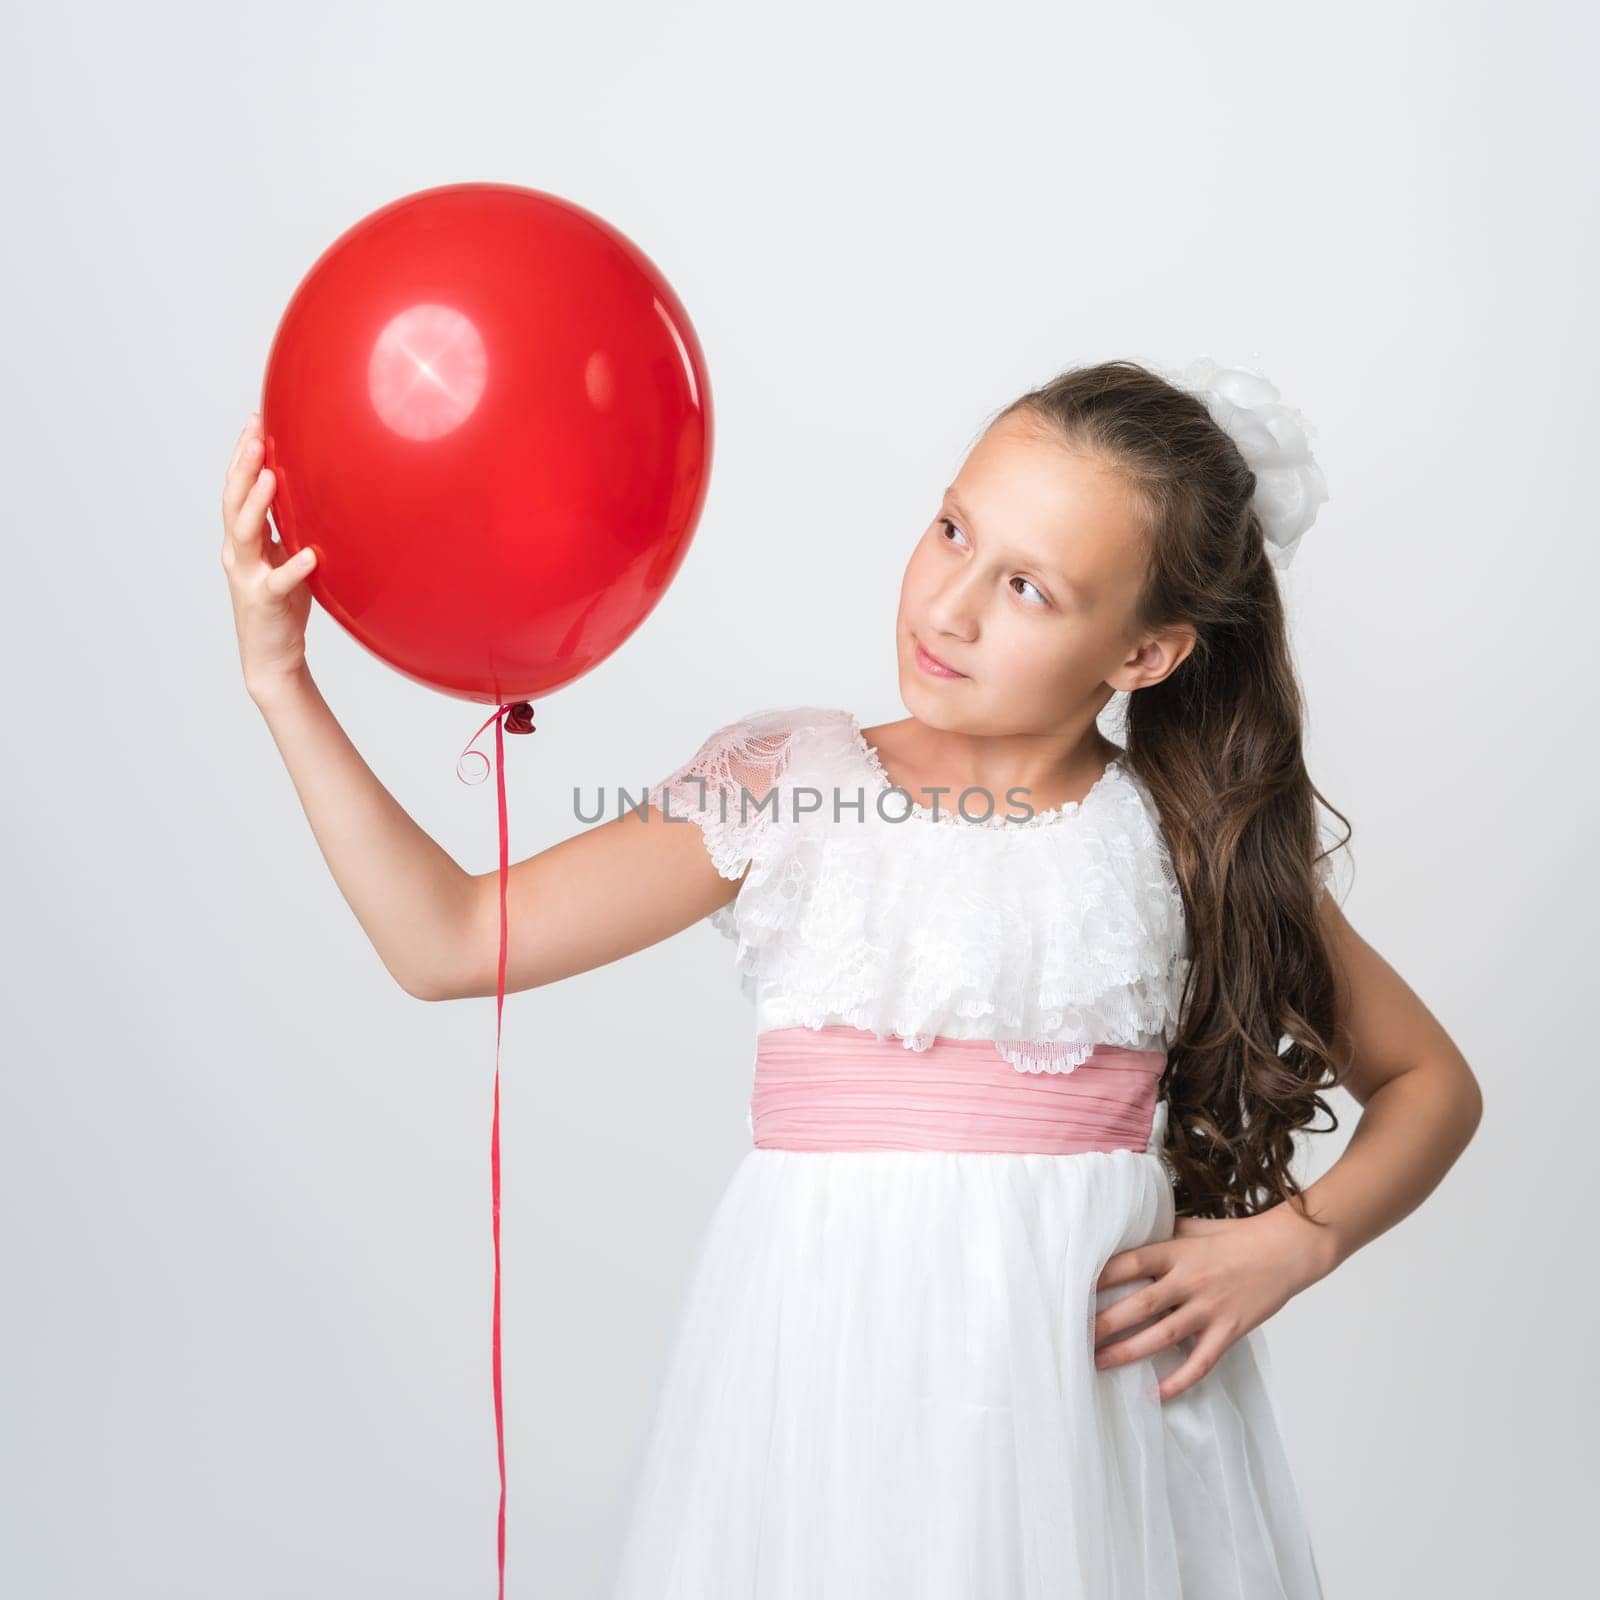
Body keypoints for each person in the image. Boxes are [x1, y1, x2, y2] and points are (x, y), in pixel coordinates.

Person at [219, 357, 1484, 1598]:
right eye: (949, 529)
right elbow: (446, 939)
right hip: (826, 1395)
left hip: (1087, 1423)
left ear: (1144, 654)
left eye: (1028, 587)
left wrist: (1294, 1244)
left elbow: (1430, 1080)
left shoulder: (1181, 834)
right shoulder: (785, 783)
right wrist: (284, 683)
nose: (947, 606)